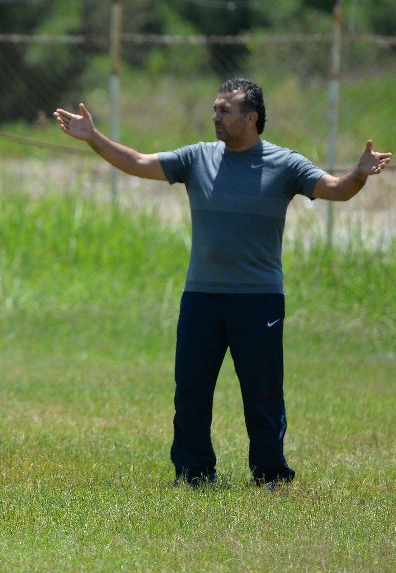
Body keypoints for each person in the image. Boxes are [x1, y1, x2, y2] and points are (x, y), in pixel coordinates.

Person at [55, 78, 391, 488]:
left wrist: (358, 175)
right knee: (191, 392)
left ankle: (270, 474)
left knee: (262, 394)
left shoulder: (285, 164)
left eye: (224, 110)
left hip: (259, 300)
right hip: (201, 297)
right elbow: (139, 163)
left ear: (250, 118)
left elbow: (336, 190)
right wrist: (93, 138)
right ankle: (194, 473)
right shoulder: (197, 158)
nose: (215, 115)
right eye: (215, 108)